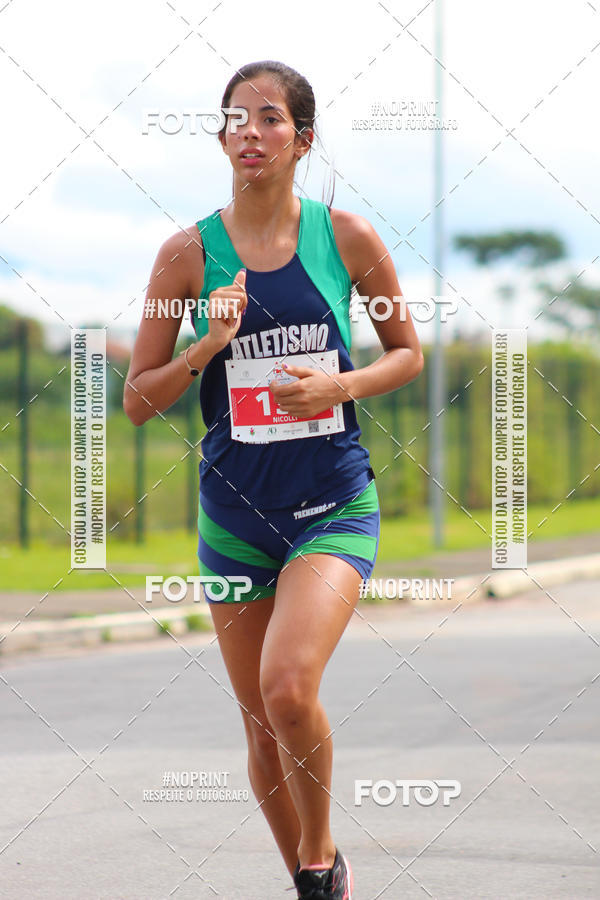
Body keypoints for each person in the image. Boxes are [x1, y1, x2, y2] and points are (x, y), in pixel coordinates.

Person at [124, 60, 423, 900]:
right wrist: (205, 346)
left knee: (288, 688)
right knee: (261, 724)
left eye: (269, 119)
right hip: (235, 516)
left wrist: (341, 386)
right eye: (234, 119)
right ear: (220, 137)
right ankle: (307, 882)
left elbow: (408, 352)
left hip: (331, 502)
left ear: (303, 139)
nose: (248, 133)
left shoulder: (349, 238)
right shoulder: (186, 254)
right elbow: (140, 401)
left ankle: (325, 859)